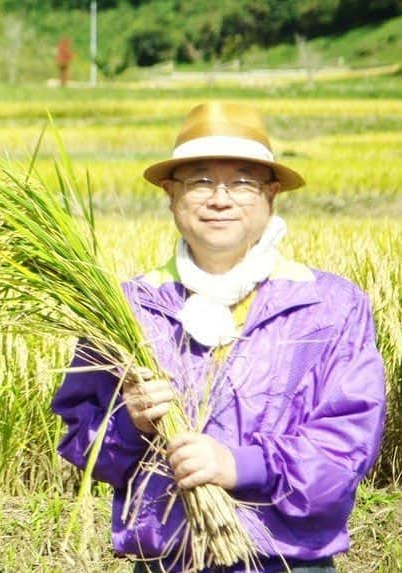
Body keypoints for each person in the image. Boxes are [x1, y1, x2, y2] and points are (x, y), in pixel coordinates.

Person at [51, 101, 386, 573]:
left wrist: (238, 465)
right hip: (167, 561)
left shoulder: (329, 306)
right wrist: (132, 424)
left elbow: (347, 446)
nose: (220, 199)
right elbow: (83, 447)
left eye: (244, 182)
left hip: (288, 562)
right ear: (171, 194)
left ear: (272, 194)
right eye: (201, 181)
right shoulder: (125, 308)